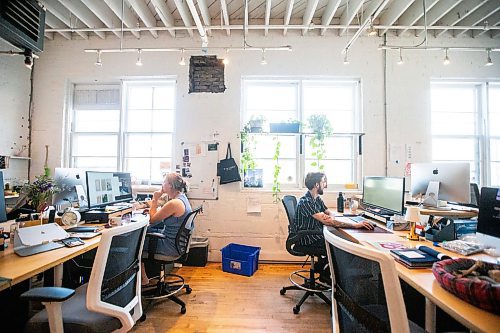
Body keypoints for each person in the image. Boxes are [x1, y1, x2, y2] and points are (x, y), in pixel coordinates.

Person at [294, 172, 373, 251]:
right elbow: (329, 222)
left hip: (317, 234)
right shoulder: (306, 202)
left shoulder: (316, 199)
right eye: (323, 182)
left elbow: (330, 213)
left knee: (345, 241)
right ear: (316, 185)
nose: (325, 185)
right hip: (309, 239)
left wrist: (329, 218)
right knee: (347, 246)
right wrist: (355, 225)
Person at [141, 172, 192, 287]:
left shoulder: (174, 203)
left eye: (164, 182)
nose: (162, 184)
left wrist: (155, 199)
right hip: (177, 244)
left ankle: (143, 279)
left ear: (170, 185)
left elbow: (152, 220)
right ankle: (144, 278)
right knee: (147, 233)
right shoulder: (182, 198)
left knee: (135, 244)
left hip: (169, 246)